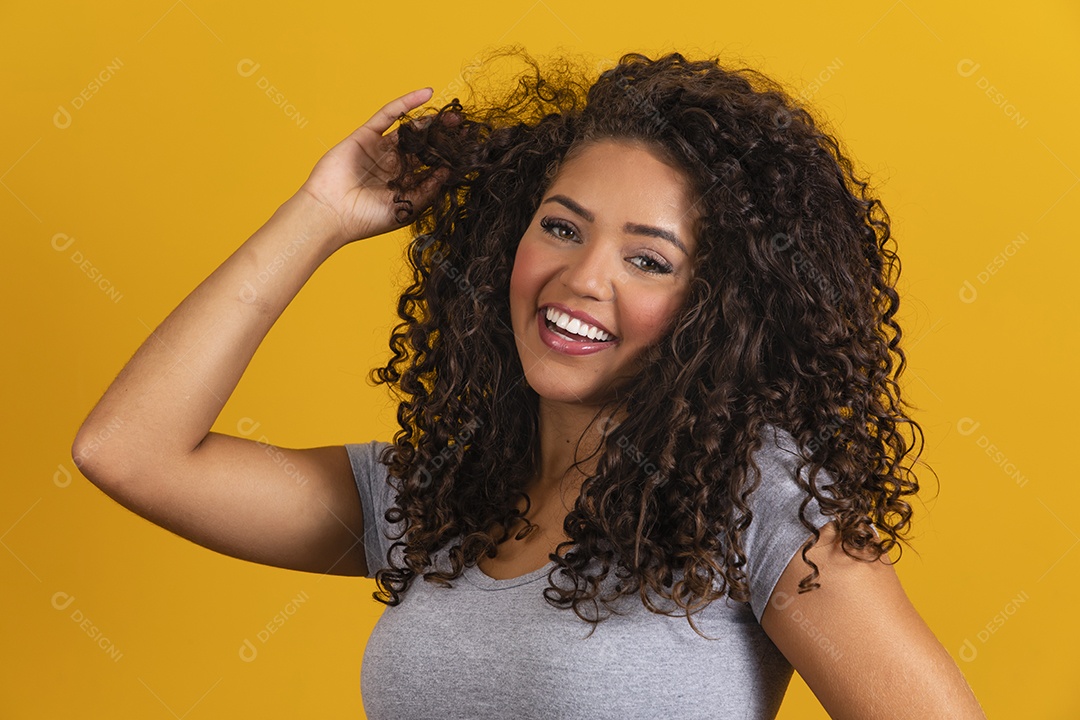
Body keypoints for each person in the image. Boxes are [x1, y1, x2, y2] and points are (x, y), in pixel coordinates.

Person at [72, 49, 986, 719]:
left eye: (648, 258)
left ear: (721, 308)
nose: (584, 279)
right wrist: (319, 216)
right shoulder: (435, 496)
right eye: (561, 227)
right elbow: (129, 452)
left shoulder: (753, 499)